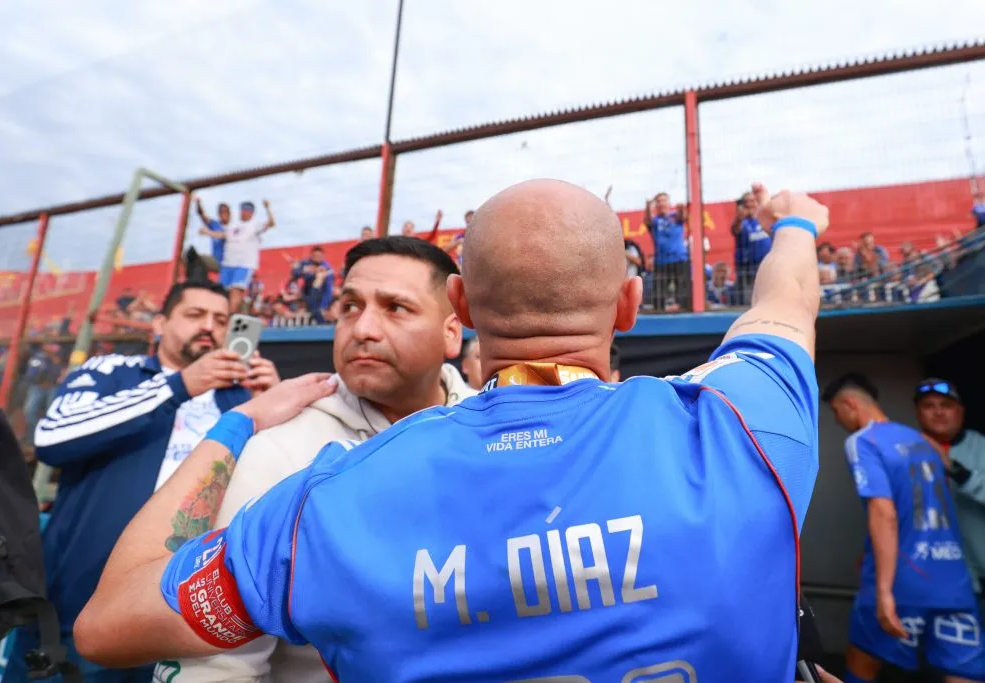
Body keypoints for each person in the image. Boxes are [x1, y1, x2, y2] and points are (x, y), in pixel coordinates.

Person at [76, 180, 827, 681]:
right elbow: (787, 294)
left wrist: (228, 430)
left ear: (458, 308)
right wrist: (794, 222)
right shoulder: (741, 425)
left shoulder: (328, 500)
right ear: (630, 304)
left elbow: (108, 624)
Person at [158, 236, 474, 682]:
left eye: (395, 308)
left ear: (451, 332)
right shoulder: (281, 449)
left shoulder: (500, 433)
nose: (363, 328)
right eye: (349, 307)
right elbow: (218, 665)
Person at [3, 281, 281, 683]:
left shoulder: (243, 396)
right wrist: (178, 385)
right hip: (78, 604)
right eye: (194, 315)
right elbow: (52, 436)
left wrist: (269, 405)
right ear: (159, 324)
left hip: (188, 611)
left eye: (221, 320)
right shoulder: (114, 371)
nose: (209, 327)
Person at [822, 373, 984, 683]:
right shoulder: (922, 441)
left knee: (862, 663)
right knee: (963, 673)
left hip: (903, 579)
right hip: (953, 581)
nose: (838, 419)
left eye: (835, 412)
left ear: (849, 404)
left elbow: (885, 513)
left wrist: (883, 591)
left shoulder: (863, 441)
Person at [914, 378, 985, 600]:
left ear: (960, 411)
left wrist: (954, 469)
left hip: (979, 578)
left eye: (946, 405)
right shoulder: (908, 450)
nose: (938, 413)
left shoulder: (979, 446)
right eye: (928, 406)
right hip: (929, 578)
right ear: (917, 413)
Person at [220, 200, 276, 312]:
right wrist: (207, 232)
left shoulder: (255, 225)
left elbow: (271, 223)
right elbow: (222, 235)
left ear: (252, 213)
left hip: (244, 264)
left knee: (236, 291)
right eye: (243, 210)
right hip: (228, 264)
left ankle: (229, 319)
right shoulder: (233, 226)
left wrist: (268, 208)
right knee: (223, 293)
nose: (245, 213)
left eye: (248, 211)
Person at [643, 191, 690, 310]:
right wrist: (648, 206)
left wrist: (682, 209)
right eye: (658, 201)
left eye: (664, 201)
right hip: (661, 261)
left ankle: (684, 312)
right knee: (659, 294)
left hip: (679, 259)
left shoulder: (675, 216)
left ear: (669, 203)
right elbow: (647, 221)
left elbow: (684, 216)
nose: (661, 204)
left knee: (684, 291)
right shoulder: (655, 220)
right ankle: (659, 317)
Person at [731, 190, 771, 303]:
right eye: (746, 202)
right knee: (750, 299)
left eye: (753, 201)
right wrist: (740, 216)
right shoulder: (742, 222)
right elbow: (735, 228)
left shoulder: (764, 219)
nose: (750, 204)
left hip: (767, 265)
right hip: (748, 268)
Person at [196, 199, 231, 267]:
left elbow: (223, 235)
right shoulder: (215, 224)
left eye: (225, 212)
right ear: (218, 214)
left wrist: (207, 232)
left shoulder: (232, 226)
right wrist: (198, 203)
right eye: (221, 212)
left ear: (229, 213)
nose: (223, 214)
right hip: (216, 261)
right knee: (195, 258)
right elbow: (202, 215)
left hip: (228, 262)